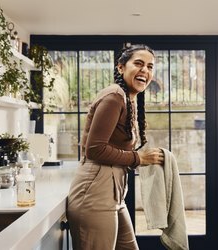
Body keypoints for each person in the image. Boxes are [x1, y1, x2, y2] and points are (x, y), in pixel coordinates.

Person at [67, 44, 165, 250]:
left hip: (113, 193)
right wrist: (140, 159)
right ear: (121, 67)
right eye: (138, 64)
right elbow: (95, 149)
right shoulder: (114, 97)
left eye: (150, 66)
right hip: (95, 193)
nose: (145, 71)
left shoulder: (128, 98)